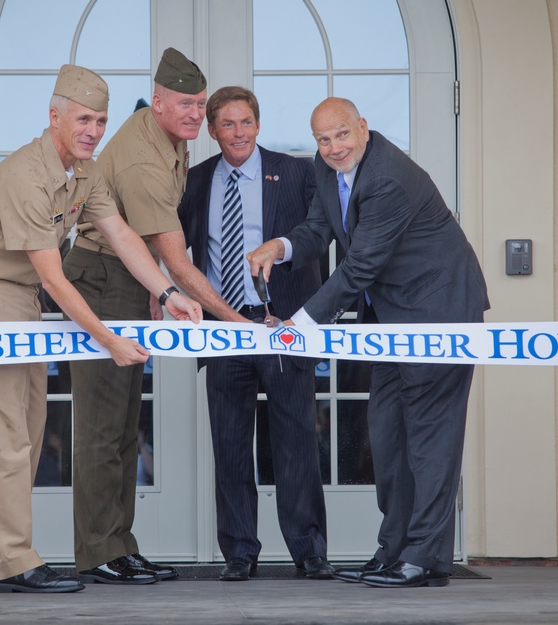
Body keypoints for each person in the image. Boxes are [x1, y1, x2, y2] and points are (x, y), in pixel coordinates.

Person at [0, 64, 202, 594]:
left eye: (101, 120)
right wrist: (108, 339)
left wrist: (168, 294)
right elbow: (55, 278)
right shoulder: (26, 174)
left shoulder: (84, 172)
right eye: (83, 118)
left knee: (26, 428)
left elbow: (124, 235)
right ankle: (15, 563)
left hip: (19, 299)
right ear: (55, 117)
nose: (93, 129)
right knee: (8, 435)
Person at [248, 97, 489, 588]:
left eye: (341, 135)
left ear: (362, 127)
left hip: (439, 311)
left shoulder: (387, 179)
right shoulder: (325, 164)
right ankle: (393, 549)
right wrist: (282, 245)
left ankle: (425, 559)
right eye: (323, 139)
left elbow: (358, 268)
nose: (333, 148)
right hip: (390, 319)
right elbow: (320, 228)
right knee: (387, 435)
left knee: (428, 439)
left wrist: (299, 325)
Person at [64, 48, 248, 586]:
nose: (196, 114)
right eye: (185, 104)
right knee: (101, 428)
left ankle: (119, 545)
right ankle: (97, 552)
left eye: (200, 103)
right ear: (160, 101)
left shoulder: (169, 135)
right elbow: (179, 263)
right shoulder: (144, 158)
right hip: (101, 280)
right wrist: (235, 322)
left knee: (123, 427)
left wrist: (151, 288)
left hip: (126, 276)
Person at [178, 86, 335, 581]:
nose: (239, 132)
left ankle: (309, 551)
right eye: (227, 124)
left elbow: (318, 236)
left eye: (246, 122)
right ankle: (239, 553)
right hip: (224, 328)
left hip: (282, 323)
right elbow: (179, 251)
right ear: (212, 130)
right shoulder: (194, 180)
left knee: (295, 442)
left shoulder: (296, 172)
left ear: (259, 125)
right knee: (229, 444)